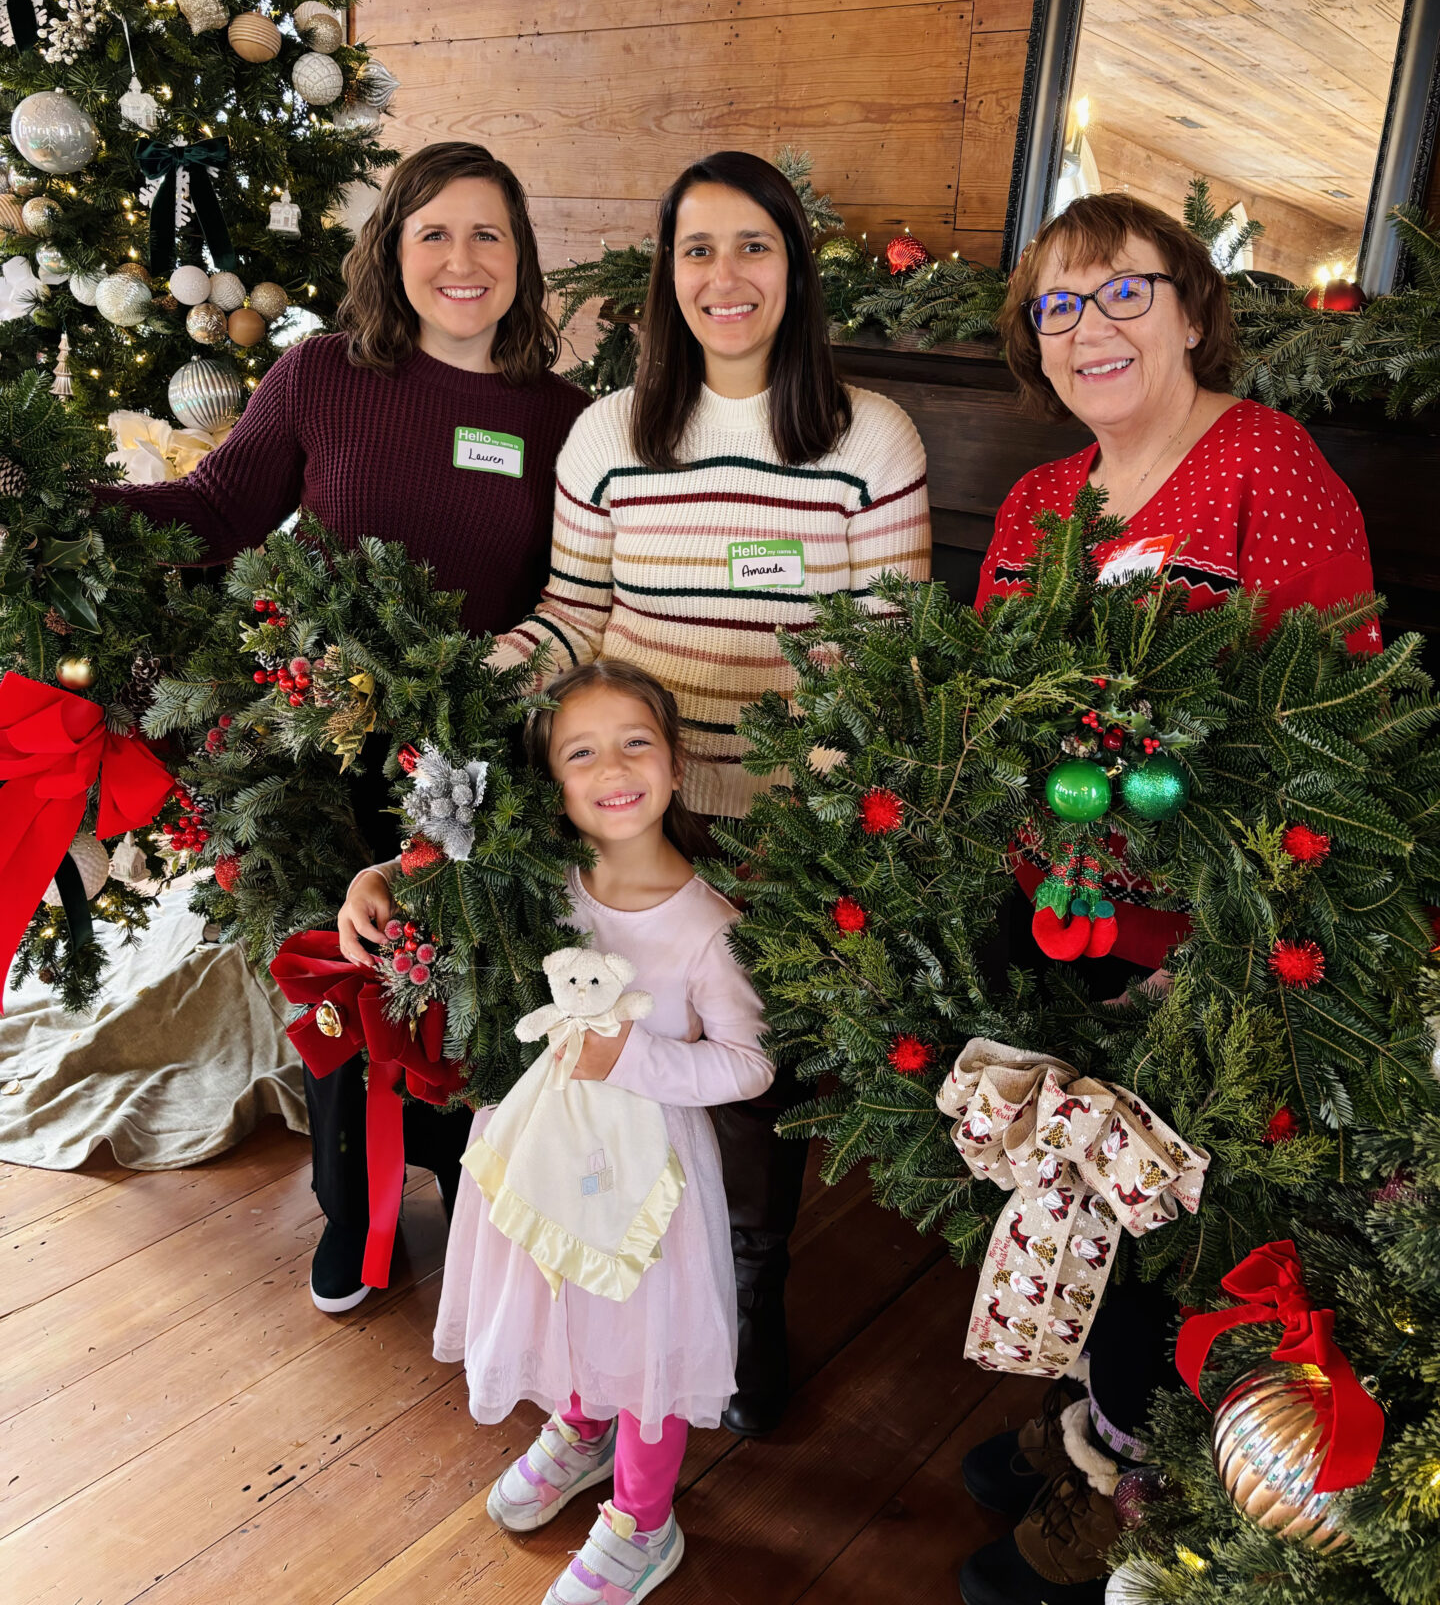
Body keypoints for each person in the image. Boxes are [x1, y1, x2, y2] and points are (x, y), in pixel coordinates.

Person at [957, 191, 1377, 1605]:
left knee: (1167, 1225)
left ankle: (1136, 1488)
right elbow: (988, 704)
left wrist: (1225, 939)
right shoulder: (1035, 503)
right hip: (1060, 913)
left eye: (1124, 293)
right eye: (1060, 308)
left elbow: (1337, 723)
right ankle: (1090, 1415)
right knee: (1065, 1175)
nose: (1092, 329)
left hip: (1214, 943)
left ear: (1194, 307)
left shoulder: (1270, 463)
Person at [96, 141, 588, 1316]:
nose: (461, 260)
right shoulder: (322, 373)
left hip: (481, 755)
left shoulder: (564, 417)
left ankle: (480, 1211)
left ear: (521, 260)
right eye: (434, 232)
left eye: (489, 235)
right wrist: (71, 510)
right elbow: (216, 508)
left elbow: (573, 592)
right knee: (343, 982)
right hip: (320, 749)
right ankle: (353, 1214)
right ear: (392, 249)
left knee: (473, 986)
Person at [494, 150, 932, 1434]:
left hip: (789, 830)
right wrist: (479, 678)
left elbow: (888, 642)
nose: (724, 275)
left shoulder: (869, 436)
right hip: (637, 820)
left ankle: (751, 1290)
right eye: (697, 249)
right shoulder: (607, 435)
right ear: (663, 277)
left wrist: (821, 807)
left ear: (793, 272)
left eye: (753, 246)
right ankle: (621, 1296)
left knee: (751, 1084)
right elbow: (573, 616)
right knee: (619, 1064)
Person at [345, 660, 774, 1604]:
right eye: (582, 752)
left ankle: (642, 1520)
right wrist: (372, 878)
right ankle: (583, 1428)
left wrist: (632, 1060)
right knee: (562, 1303)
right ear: (552, 782)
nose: (613, 767)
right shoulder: (541, 882)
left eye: (636, 743)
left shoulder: (709, 927)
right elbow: (431, 880)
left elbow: (749, 1065)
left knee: (645, 1337)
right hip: (541, 1151)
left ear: (673, 761)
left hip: (649, 1183)